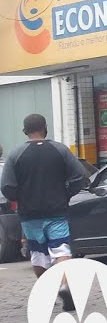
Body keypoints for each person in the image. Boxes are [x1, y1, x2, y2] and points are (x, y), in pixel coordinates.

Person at [0, 114, 86, 311]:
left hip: (30, 215)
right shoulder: (60, 150)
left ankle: (51, 288)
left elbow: (7, 187)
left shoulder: (15, 155)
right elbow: (78, 177)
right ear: (45, 128)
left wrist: (20, 198)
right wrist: (66, 195)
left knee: (38, 254)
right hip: (56, 211)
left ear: (24, 131)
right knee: (61, 251)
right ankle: (64, 284)